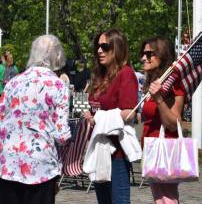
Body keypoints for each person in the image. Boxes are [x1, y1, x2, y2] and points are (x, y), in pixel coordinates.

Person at [0, 35, 71, 204]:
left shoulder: (13, 83)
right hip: (41, 167)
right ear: (57, 56)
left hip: (8, 164)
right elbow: (62, 135)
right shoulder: (58, 85)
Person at [84, 28, 138, 204]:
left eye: (105, 46)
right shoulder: (101, 75)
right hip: (100, 149)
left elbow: (130, 113)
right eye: (98, 47)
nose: (99, 50)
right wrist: (91, 118)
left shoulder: (126, 73)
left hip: (117, 152)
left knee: (119, 201)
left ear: (117, 48)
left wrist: (98, 118)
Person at [140, 36, 185, 204]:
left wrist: (158, 98)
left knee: (167, 199)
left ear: (162, 55)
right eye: (143, 53)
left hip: (166, 150)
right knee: (160, 199)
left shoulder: (173, 85)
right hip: (152, 148)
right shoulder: (152, 82)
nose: (143, 58)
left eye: (149, 54)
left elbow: (174, 123)